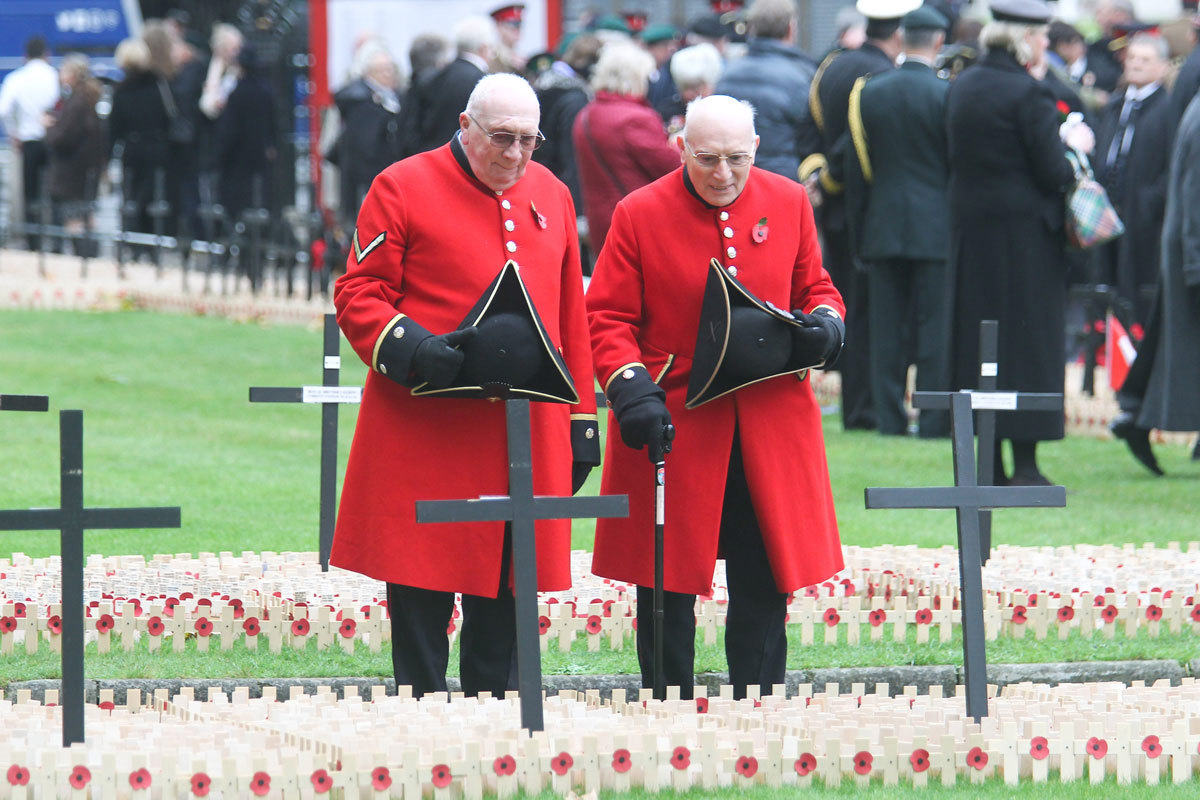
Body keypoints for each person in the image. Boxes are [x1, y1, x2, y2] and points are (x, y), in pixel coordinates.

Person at [331, 73, 600, 698]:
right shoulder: (401, 185)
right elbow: (359, 294)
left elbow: (570, 320)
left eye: (529, 141)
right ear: (464, 126)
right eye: (501, 138)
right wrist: (415, 347)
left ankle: (497, 739)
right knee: (421, 597)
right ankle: (421, 732)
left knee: (508, 602)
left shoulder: (553, 194)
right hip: (428, 430)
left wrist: (580, 424)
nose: (515, 155)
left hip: (522, 440)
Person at [587, 95, 845, 700]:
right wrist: (630, 388)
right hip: (676, 418)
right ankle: (668, 705)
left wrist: (827, 323)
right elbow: (607, 317)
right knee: (665, 580)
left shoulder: (787, 201)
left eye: (736, 158)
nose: (723, 174)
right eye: (707, 159)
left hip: (768, 423)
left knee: (764, 576)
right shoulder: (638, 212)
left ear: (755, 151)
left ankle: (758, 703)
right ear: (680, 149)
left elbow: (817, 286)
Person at [946, 0, 1088, 485]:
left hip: (973, 240)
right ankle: (1025, 466)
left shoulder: (964, 85)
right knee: (1027, 348)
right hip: (1026, 243)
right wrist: (1075, 149)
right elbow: (1053, 172)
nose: (1046, 43)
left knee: (981, 348)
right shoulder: (1028, 93)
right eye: (1042, 36)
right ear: (1024, 38)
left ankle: (992, 466)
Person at [802, 0, 917, 432]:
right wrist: (831, 177)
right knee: (872, 313)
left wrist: (816, 179)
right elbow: (854, 145)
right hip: (867, 209)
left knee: (851, 306)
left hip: (836, 209)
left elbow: (808, 131)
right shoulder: (882, 76)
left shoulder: (831, 65)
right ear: (899, 34)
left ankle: (858, 406)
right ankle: (865, 408)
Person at [844, 5, 951, 438]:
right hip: (937, 228)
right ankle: (932, 417)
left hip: (883, 225)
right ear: (939, 43)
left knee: (885, 331)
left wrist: (858, 233)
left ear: (902, 40)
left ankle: (889, 417)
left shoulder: (869, 91)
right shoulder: (947, 94)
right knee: (933, 330)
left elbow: (858, 170)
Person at [1093, 33, 1172, 330]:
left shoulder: (1167, 108)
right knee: (1105, 282)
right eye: (1133, 58)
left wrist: (1151, 201)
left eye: (1145, 60)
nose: (1136, 65)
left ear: (1162, 66)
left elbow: (1170, 165)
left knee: (1136, 289)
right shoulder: (1117, 103)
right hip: (1108, 210)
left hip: (1144, 218)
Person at [572, 43, 679, 253]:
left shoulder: (587, 113)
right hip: (637, 222)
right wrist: (679, 145)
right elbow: (671, 168)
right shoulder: (635, 118)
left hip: (600, 221)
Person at [714, 0, 819, 182]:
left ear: (752, 29)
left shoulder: (727, 73)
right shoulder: (805, 75)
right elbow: (812, 137)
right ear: (790, 28)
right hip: (786, 180)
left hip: (736, 179)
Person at [108, 38, 171, 255]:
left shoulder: (121, 91)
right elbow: (167, 118)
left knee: (131, 199)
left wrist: (107, 159)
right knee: (153, 198)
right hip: (156, 149)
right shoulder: (158, 84)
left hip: (133, 150)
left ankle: (132, 245)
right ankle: (153, 245)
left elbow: (113, 130)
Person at [0, 35, 60, 251]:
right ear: (47, 55)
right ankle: (56, 239)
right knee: (54, 190)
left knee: (30, 192)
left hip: (28, 141)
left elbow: (4, 109)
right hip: (54, 140)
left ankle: (33, 241)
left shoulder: (17, 78)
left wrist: (12, 132)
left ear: (25, 56)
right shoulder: (55, 76)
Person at [44, 53, 105, 257]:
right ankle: (91, 258)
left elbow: (62, 138)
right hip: (86, 170)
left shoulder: (75, 103)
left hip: (72, 172)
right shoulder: (88, 99)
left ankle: (86, 261)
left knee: (74, 218)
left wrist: (49, 128)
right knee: (85, 216)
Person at [407, 16, 497, 154]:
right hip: (465, 160)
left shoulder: (434, 77)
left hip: (430, 158)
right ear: (484, 48)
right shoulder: (484, 83)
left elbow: (412, 127)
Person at [657, 42, 723, 135]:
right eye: (684, 87)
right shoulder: (667, 111)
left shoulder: (723, 112)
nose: (689, 94)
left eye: (696, 88)